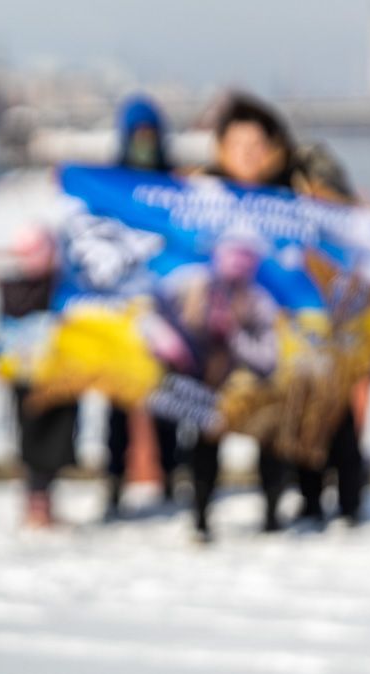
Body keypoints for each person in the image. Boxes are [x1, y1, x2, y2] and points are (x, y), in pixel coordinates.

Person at [185, 92, 296, 536]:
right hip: (210, 334)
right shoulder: (197, 197)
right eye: (238, 145)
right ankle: (200, 512)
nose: (247, 155)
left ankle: (272, 511)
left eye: (257, 146)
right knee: (205, 423)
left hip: (267, 329)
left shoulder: (290, 201)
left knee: (270, 422)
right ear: (221, 148)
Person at [151, 227, 282, 540]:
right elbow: (150, 313)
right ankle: (200, 517)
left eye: (242, 257)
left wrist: (234, 336)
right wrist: (170, 341)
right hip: (204, 388)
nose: (235, 265)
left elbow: (268, 358)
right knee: (202, 450)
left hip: (248, 391)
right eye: (229, 256)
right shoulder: (192, 289)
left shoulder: (259, 302)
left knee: (270, 445)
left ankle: (272, 516)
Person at [106, 94, 181, 515]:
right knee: (118, 401)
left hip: (166, 309)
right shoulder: (108, 184)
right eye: (138, 136)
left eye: (150, 136)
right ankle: (115, 480)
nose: (144, 143)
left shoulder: (175, 185)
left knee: (168, 398)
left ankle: (171, 478)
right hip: (120, 310)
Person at [290, 143, 368, 528]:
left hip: (341, 330)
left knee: (340, 422)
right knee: (306, 417)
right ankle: (311, 500)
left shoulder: (352, 216)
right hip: (303, 330)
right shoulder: (286, 214)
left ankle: (349, 502)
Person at [0, 225, 77, 527]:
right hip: (29, 377)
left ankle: (43, 502)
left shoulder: (63, 284)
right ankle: (36, 504)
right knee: (34, 441)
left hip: (59, 377)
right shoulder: (23, 286)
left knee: (55, 442)